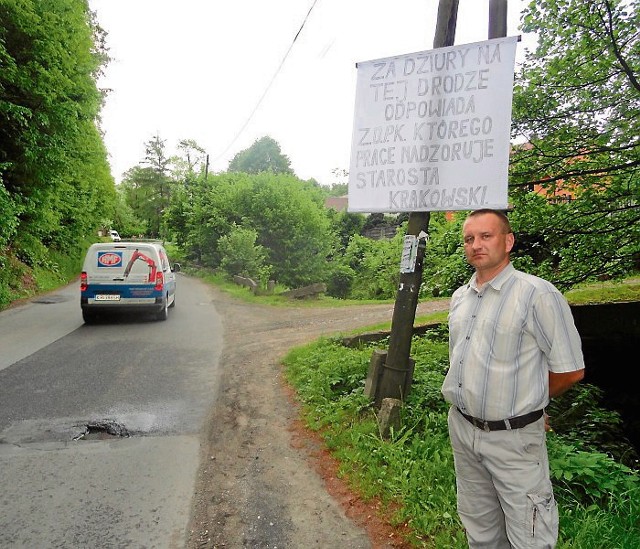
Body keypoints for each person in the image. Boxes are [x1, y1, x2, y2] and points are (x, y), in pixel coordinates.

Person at [441, 208, 585, 548]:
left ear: (508, 242)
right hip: (463, 430)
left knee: (531, 534)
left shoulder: (537, 295)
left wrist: (534, 401)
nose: (476, 244)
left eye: (486, 236)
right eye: (469, 238)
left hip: (514, 439)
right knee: (480, 529)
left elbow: (571, 370)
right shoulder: (460, 298)